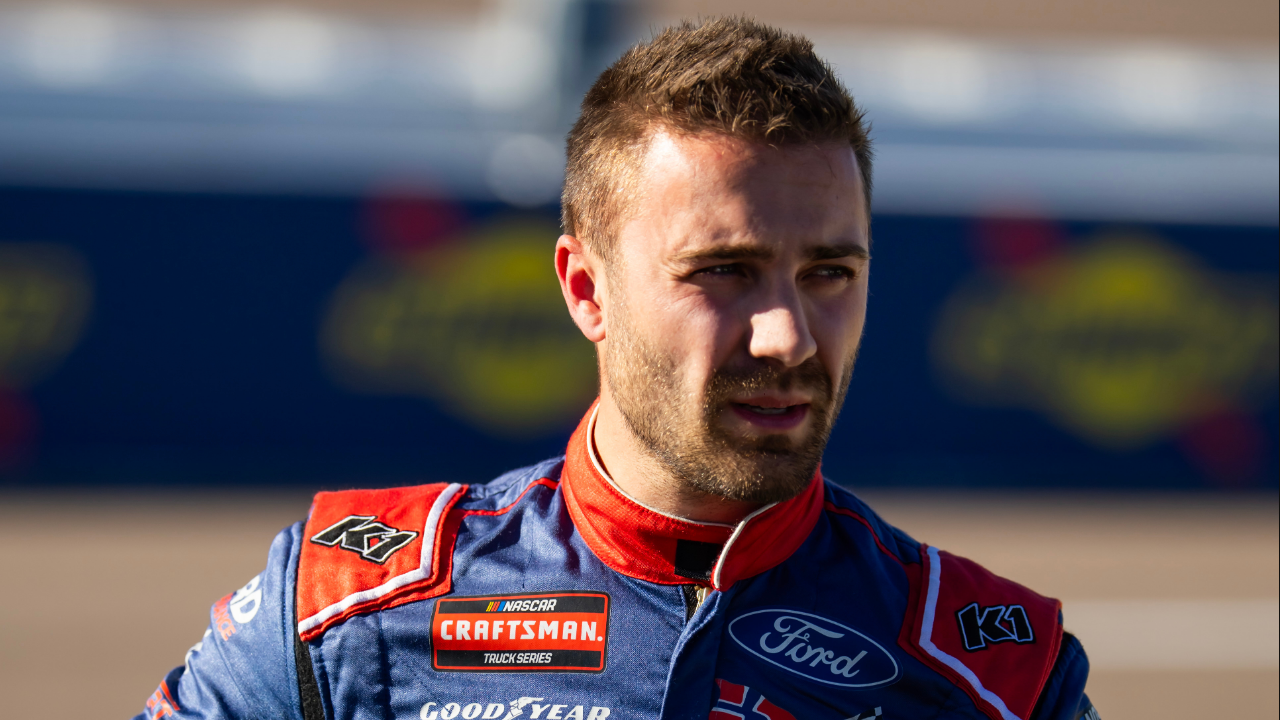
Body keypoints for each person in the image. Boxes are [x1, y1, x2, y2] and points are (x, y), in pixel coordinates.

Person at [137, 17, 1095, 720]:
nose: (789, 337)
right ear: (586, 288)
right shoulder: (344, 604)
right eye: (723, 272)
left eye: (830, 274)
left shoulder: (995, 668)